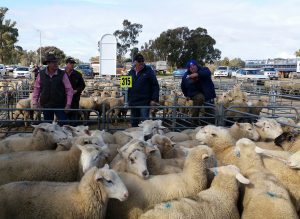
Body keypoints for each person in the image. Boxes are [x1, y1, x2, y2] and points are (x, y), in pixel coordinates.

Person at [31, 53, 73, 124]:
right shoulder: (41, 74)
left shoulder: (62, 74)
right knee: (47, 126)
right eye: (53, 62)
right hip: (46, 105)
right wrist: (35, 103)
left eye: (56, 62)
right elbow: (36, 89)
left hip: (60, 105)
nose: (56, 64)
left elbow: (69, 89)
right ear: (48, 63)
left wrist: (68, 104)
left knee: (64, 124)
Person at [128, 53, 159, 127]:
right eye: (139, 61)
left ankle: (146, 137)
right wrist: (126, 99)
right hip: (133, 102)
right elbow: (126, 87)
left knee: (145, 123)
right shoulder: (130, 72)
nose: (141, 63)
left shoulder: (148, 71)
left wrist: (154, 99)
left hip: (144, 102)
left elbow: (155, 85)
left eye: (142, 61)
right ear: (135, 62)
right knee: (134, 122)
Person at [181, 60, 216, 124]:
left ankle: (211, 123)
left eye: (194, 66)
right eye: (190, 67)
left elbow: (208, 73)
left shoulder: (204, 69)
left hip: (208, 94)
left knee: (210, 109)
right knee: (199, 99)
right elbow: (183, 86)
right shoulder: (186, 76)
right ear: (188, 69)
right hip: (196, 94)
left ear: (197, 65)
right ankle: (194, 120)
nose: (192, 68)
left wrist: (197, 74)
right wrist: (186, 95)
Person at [64, 57, 86, 124]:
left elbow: (82, 85)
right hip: (64, 99)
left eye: (73, 63)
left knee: (73, 114)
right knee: (64, 116)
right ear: (66, 64)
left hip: (75, 98)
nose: (72, 65)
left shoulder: (78, 74)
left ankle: (73, 126)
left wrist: (76, 90)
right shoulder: (61, 74)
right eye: (70, 63)